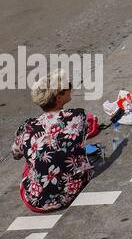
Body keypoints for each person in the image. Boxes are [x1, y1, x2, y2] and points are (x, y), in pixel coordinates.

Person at [11, 70, 102, 212]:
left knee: (33, 156)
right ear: (58, 98)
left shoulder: (26, 127)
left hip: (37, 201)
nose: (70, 87)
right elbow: (86, 132)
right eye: (67, 87)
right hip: (70, 192)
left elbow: (16, 154)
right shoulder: (78, 115)